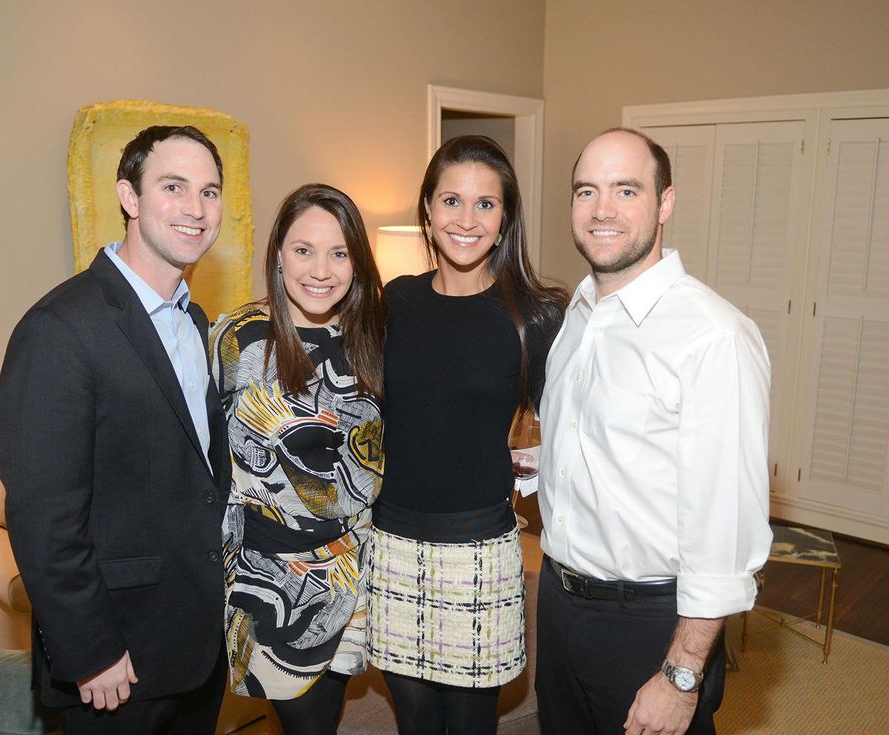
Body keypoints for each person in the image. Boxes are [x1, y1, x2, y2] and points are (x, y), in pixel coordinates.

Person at [0, 125, 232, 735]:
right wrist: (89, 648)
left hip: (194, 646)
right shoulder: (60, 328)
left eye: (209, 192)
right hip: (115, 660)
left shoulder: (193, 320)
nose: (195, 209)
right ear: (128, 196)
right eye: (173, 186)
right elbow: (44, 516)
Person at [536, 127, 773, 735]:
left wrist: (682, 672)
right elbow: (599, 445)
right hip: (560, 607)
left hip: (649, 625)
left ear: (665, 203)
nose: (602, 210)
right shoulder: (578, 315)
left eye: (626, 190)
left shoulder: (712, 337)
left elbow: (724, 526)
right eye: (586, 191)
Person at [367, 135, 568, 735]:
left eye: (486, 204)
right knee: (416, 718)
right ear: (426, 209)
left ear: (506, 217)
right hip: (393, 541)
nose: (466, 219)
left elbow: (576, 427)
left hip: (478, 548)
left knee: (471, 721)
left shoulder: (534, 314)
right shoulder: (396, 300)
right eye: (451, 200)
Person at [210, 184, 386, 735]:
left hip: (353, 570)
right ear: (278, 254)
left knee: (326, 717)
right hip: (273, 578)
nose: (321, 270)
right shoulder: (237, 339)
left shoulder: (368, 338)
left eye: (339, 252)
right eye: (303, 250)